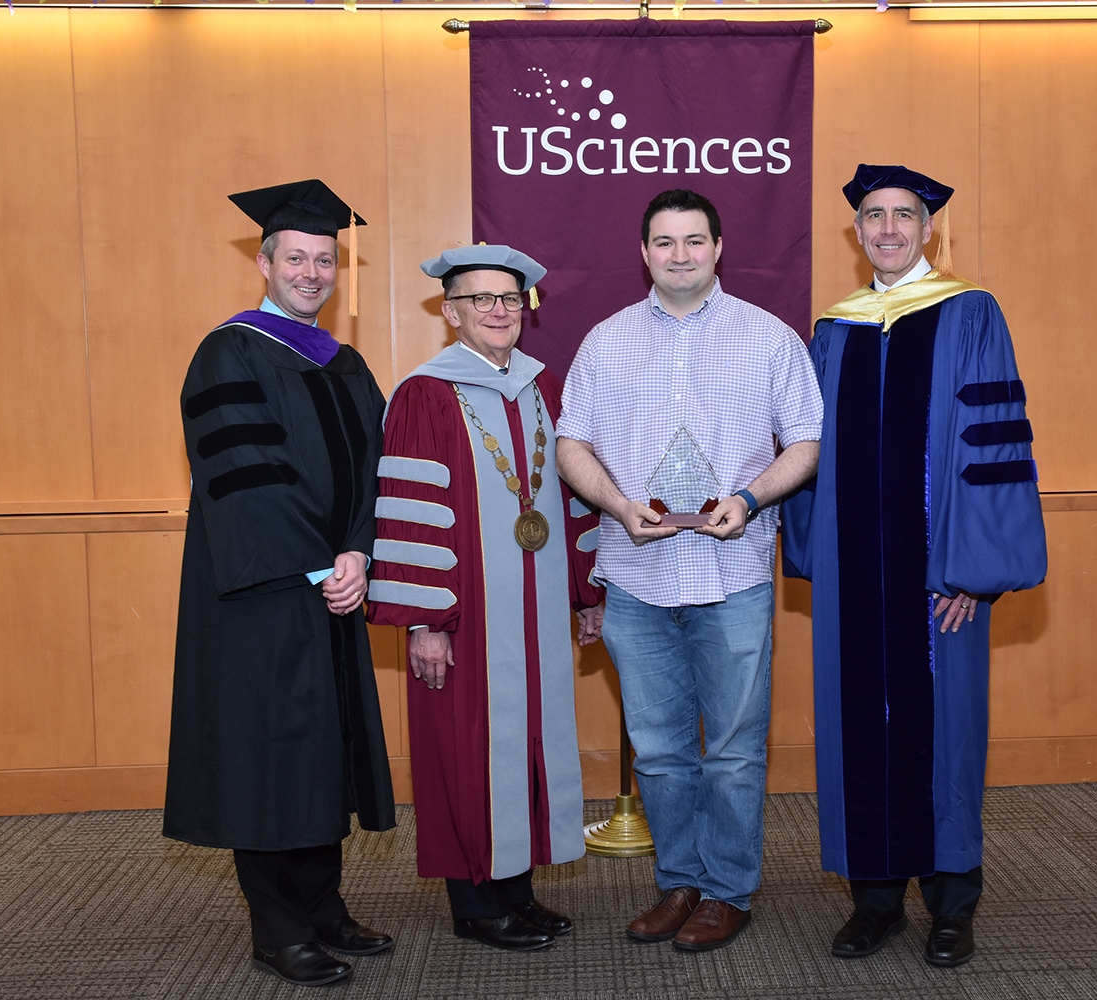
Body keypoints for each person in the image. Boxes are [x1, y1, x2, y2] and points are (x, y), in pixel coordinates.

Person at [781, 164, 1048, 967]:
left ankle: (952, 904)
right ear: (857, 231)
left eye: (903, 215)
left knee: (945, 728)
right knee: (858, 720)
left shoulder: (969, 312)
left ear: (929, 229)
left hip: (940, 576)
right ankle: (875, 901)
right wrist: (813, 548)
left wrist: (970, 570)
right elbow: (808, 447)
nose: (889, 228)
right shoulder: (835, 329)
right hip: (855, 571)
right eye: (874, 216)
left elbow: (990, 446)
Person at [555, 189, 823, 952]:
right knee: (660, 748)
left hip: (732, 573)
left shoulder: (769, 338)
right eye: (665, 243)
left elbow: (807, 441)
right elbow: (571, 443)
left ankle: (727, 891)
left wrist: (750, 497)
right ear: (644, 252)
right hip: (636, 575)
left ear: (718, 247)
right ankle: (679, 881)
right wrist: (616, 503)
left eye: (694, 240)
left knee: (734, 749)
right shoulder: (606, 342)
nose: (680, 255)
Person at [164, 179, 397, 988]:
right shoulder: (228, 353)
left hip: (335, 586)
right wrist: (320, 563)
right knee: (268, 750)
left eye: (324, 260)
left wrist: (360, 552)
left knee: (324, 749)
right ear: (264, 263)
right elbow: (244, 473)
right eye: (295, 258)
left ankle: (324, 909)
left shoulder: (347, 364)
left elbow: (377, 470)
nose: (311, 273)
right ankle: (278, 929)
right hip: (263, 591)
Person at [366, 244, 604, 951]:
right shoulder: (424, 394)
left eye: (509, 298)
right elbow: (410, 516)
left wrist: (584, 592)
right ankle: (475, 903)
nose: (498, 311)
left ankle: (516, 891)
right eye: (480, 299)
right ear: (451, 311)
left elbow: (572, 495)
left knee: (530, 740)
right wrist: (425, 623)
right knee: (466, 745)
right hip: (464, 614)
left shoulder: (543, 386)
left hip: (536, 611)